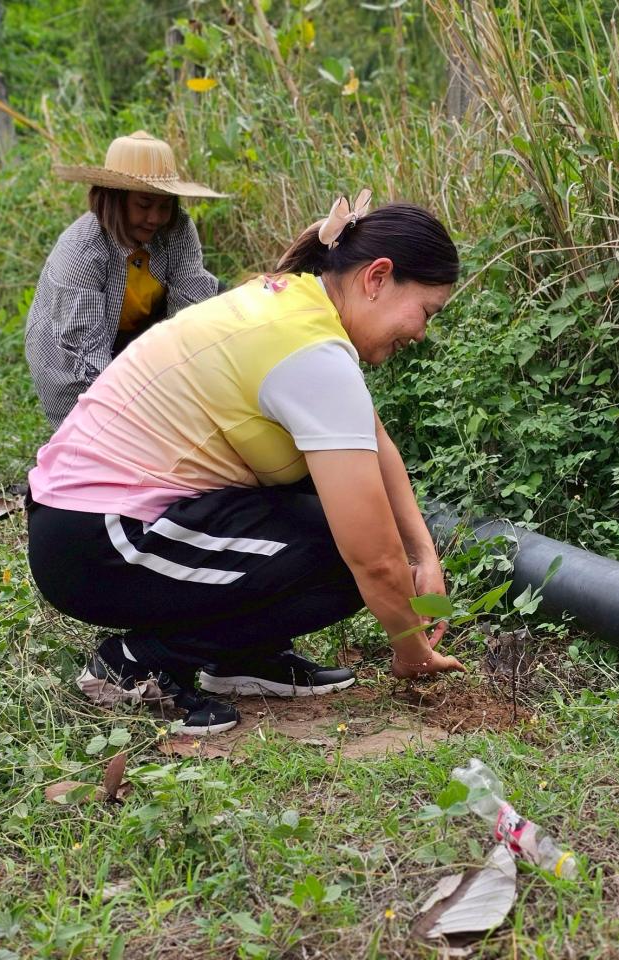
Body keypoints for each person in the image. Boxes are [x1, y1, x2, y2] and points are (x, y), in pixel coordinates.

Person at [25, 193, 465, 734]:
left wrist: (424, 554)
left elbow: (374, 442)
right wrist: (409, 647)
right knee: (349, 559)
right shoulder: (311, 354)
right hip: (97, 542)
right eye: (425, 311)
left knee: (343, 532)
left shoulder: (294, 306)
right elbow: (373, 558)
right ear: (377, 277)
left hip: (91, 521)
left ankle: (242, 658)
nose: (421, 332)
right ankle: (136, 663)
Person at [25, 130, 225, 428]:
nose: (155, 218)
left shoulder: (178, 229)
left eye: (164, 206)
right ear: (115, 200)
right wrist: (139, 411)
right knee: (110, 432)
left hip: (140, 341)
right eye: (143, 205)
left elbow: (192, 310)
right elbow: (85, 354)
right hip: (73, 365)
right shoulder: (83, 250)